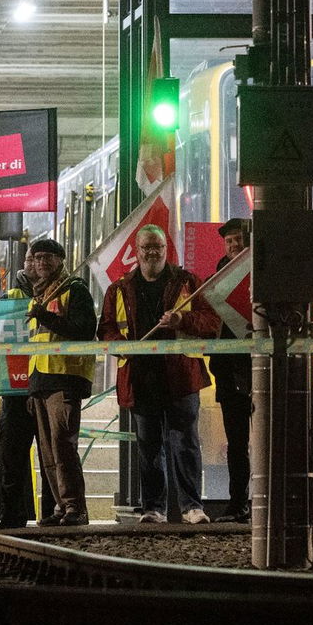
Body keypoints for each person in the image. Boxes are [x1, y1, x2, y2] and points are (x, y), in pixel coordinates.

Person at [98, 224, 219, 525]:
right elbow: (106, 330)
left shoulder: (188, 282)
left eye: (158, 247)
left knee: (186, 443)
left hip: (181, 376)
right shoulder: (118, 289)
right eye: (147, 248)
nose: (153, 253)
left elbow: (212, 322)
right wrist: (125, 348)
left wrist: (182, 318)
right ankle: (153, 508)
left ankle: (192, 507)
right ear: (136, 252)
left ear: (167, 249)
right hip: (141, 379)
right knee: (149, 447)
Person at [24, 238, 96, 527]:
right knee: (48, 451)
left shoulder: (74, 290)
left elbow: (83, 329)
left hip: (64, 378)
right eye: (37, 257)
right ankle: (61, 506)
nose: (42, 262)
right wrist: (32, 386)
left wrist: (46, 317)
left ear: (60, 260)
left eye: (48, 257)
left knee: (63, 445)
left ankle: (75, 508)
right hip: (42, 379)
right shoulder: (38, 295)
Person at [0, 248, 55, 528]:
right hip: (16, 388)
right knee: (13, 457)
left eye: (40, 259)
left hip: (46, 383)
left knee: (50, 458)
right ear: (24, 263)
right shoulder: (8, 298)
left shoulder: (57, 293)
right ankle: (12, 515)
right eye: (31, 258)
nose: (35, 264)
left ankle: (51, 514)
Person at [209, 217, 253, 522]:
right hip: (228, 371)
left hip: (260, 369)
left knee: (270, 440)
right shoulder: (217, 280)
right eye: (230, 241)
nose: (234, 245)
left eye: (239, 239)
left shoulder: (264, 272)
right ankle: (238, 503)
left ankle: (264, 501)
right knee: (237, 443)